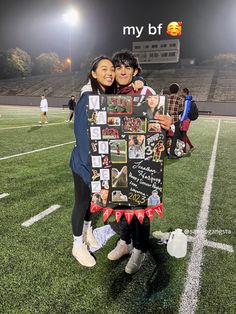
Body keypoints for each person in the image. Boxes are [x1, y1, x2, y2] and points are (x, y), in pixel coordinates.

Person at [107, 50, 172, 274]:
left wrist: (167, 123)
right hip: (118, 158)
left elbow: (162, 124)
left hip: (142, 160)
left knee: (141, 207)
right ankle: (125, 242)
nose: (122, 71)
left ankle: (140, 250)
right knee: (122, 204)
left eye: (127, 67)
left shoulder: (147, 91)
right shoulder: (109, 93)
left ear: (135, 71)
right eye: (118, 67)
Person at [70, 56, 116, 267]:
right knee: (81, 202)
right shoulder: (88, 96)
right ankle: (77, 244)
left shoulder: (104, 95)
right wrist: (91, 170)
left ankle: (88, 231)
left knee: (91, 201)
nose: (110, 72)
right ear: (93, 74)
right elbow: (82, 135)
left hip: (98, 163)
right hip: (83, 163)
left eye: (112, 69)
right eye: (104, 68)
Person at [167, 83, 184, 159]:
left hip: (166, 120)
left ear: (170, 90)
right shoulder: (180, 99)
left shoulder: (166, 98)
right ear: (177, 90)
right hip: (175, 120)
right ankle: (171, 153)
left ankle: (163, 152)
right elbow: (181, 110)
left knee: (164, 136)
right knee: (174, 137)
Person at [180, 88, 194, 154]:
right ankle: (191, 146)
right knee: (184, 133)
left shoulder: (187, 101)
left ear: (185, 92)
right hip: (186, 119)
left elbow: (185, 112)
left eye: (182, 92)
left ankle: (184, 150)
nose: (181, 93)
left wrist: (181, 121)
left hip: (185, 119)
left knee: (183, 134)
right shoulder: (187, 100)